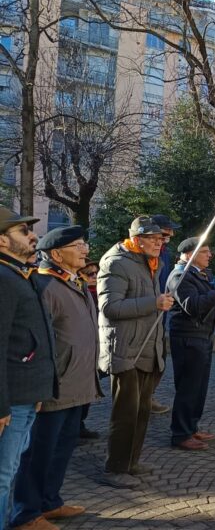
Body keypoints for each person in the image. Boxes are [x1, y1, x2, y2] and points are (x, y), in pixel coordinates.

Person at [11, 226, 99, 528]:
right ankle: (26, 512)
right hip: (54, 385)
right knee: (38, 453)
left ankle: (49, 502)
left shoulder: (73, 281)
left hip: (77, 382)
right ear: (57, 254)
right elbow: (33, 336)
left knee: (62, 448)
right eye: (78, 245)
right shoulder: (44, 284)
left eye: (84, 244)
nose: (85, 250)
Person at [97, 216, 173, 489]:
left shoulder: (150, 263)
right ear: (138, 239)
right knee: (125, 414)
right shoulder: (116, 262)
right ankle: (115, 467)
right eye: (154, 238)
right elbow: (110, 308)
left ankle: (131, 461)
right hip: (125, 350)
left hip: (147, 350)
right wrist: (153, 302)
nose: (160, 243)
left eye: (161, 238)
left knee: (142, 411)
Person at [0, 207, 56, 526]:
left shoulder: (19, 273)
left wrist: (36, 390)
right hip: (10, 401)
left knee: (8, 473)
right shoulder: (3, 277)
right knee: (3, 476)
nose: (33, 235)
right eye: (22, 231)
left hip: (24, 395)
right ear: (1, 241)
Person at [166, 238, 215, 450]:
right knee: (188, 387)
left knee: (199, 387)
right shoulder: (180, 276)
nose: (210, 255)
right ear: (189, 254)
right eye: (205, 251)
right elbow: (193, 306)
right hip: (189, 337)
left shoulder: (199, 274)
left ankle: (191, 427)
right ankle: (180, 434)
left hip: (202, 335)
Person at [149, 214, 180, 417]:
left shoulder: (164, 252)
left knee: (158, 359)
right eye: (166, 232)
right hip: (147, 310)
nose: (171, 234)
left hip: (163, 311)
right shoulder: (148, 253)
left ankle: (147, 395)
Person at [77, 260, 101, 440]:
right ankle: (75, 427)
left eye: (96, 273)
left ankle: (80, 424)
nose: (95, 276)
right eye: (90, 274)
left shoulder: (101, 292)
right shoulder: (80, 292)